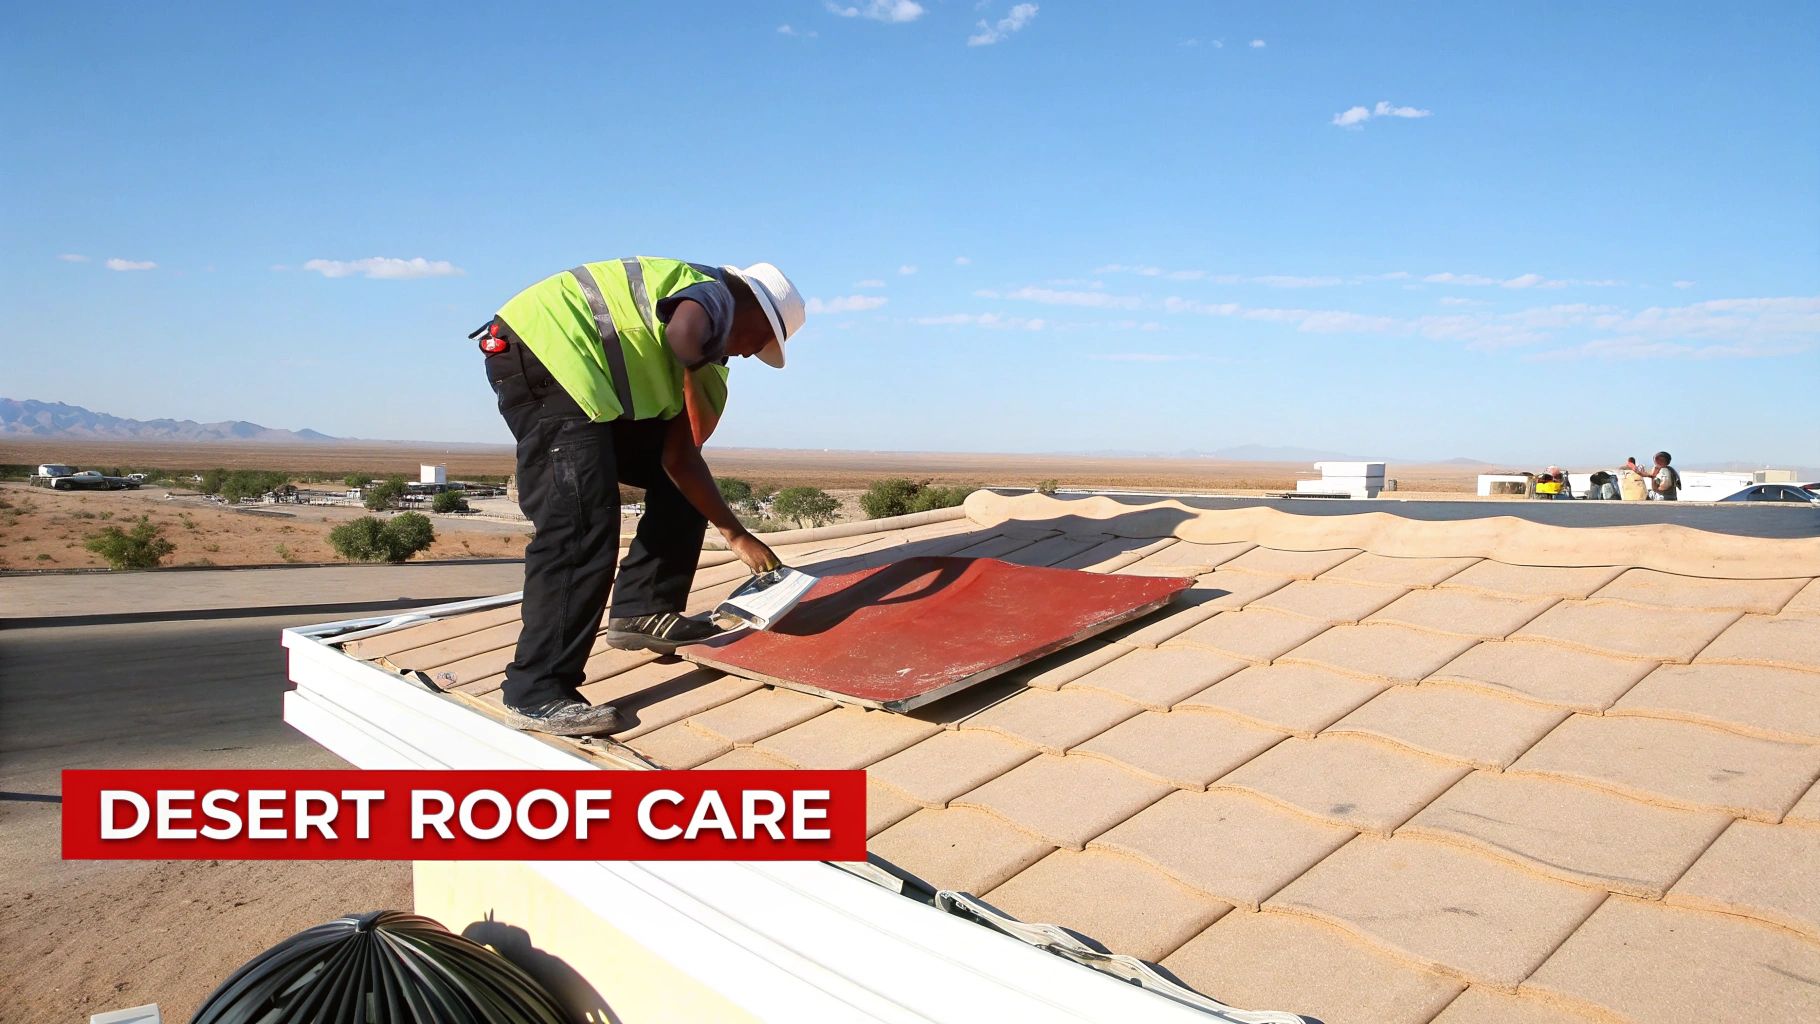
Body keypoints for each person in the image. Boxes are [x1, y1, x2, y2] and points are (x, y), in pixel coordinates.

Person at [473, 257, 806, 735]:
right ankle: (536, 692)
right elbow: (685, 333)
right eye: (760, 341)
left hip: (586, 383)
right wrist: (697, 357)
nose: (751, 354)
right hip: (546, 355)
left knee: (682, 492)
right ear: (751, 307)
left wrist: (736, 535)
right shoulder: (713, 292)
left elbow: (682, 462)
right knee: (581, 523)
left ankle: (644, 610)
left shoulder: (708, 364)